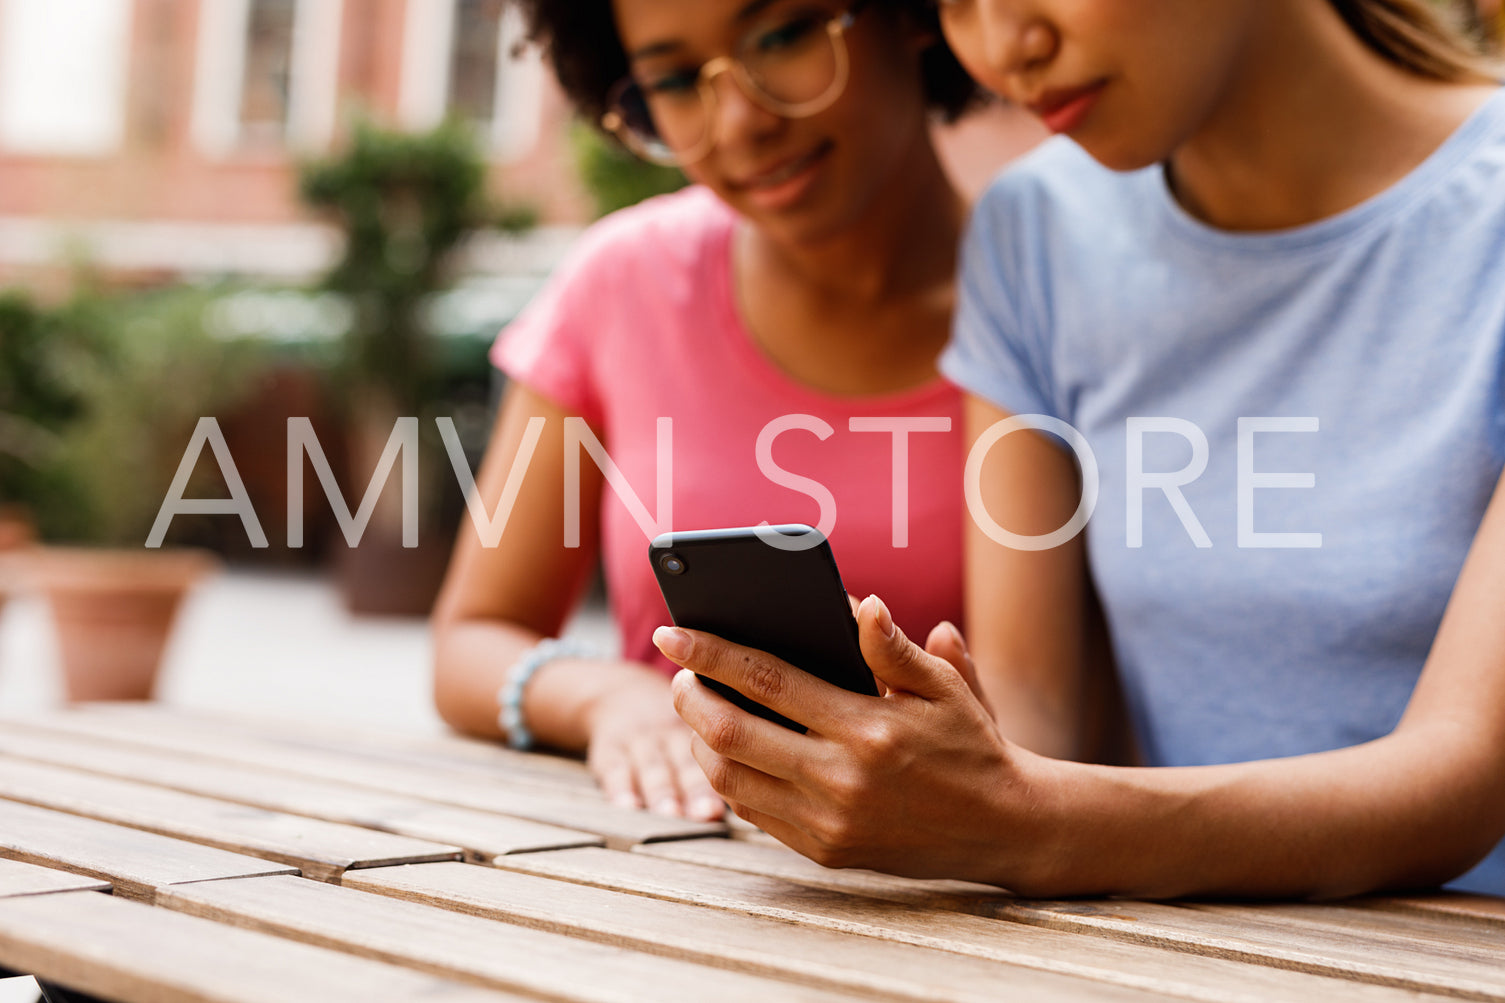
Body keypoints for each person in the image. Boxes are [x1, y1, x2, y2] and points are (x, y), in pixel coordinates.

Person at [660, 0, 1505, 898]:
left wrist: (1024, 820)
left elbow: (1460, 783)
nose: (1003, 50)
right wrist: (925, 760)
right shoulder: (1037, 229)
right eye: (956, 4)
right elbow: (1036, 714)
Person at [432, 0, 984, 821]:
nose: (739, 122)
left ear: (907, 14)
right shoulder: (625, 282)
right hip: (674, 870)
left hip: (982, 899)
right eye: (675, 80)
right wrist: (607, 697)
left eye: (784, 35)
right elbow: (470, 639)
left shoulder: (1049, 303)